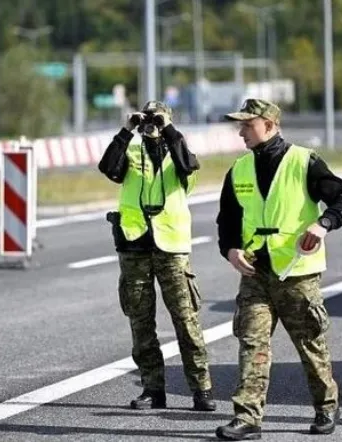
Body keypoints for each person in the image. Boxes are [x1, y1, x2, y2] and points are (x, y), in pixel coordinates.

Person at [214, 99, 342, 440]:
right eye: (240, 125)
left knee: (310, 344)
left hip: (296, 272)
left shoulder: (303, 161)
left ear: (269, 124)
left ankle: (326, 407)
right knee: (251, 343)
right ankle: (247, 418)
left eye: (247, 125)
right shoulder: (239, 169)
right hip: (256, 273)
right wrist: (231, 251)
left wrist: (323, 224)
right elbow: (228, 222)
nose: (241, 131)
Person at [98, 100, 216, 412]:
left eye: (156, 118)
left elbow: (188, 167)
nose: (150, 122)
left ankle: (201, 389)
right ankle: (153, 389)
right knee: (140, 322)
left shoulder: (179, 153)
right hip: (134, 243)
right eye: (147, 118)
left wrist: (168, 129)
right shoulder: (132, 150)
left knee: (186, 321)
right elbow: (108, 168)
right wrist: (126, 131)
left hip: (172, 248)